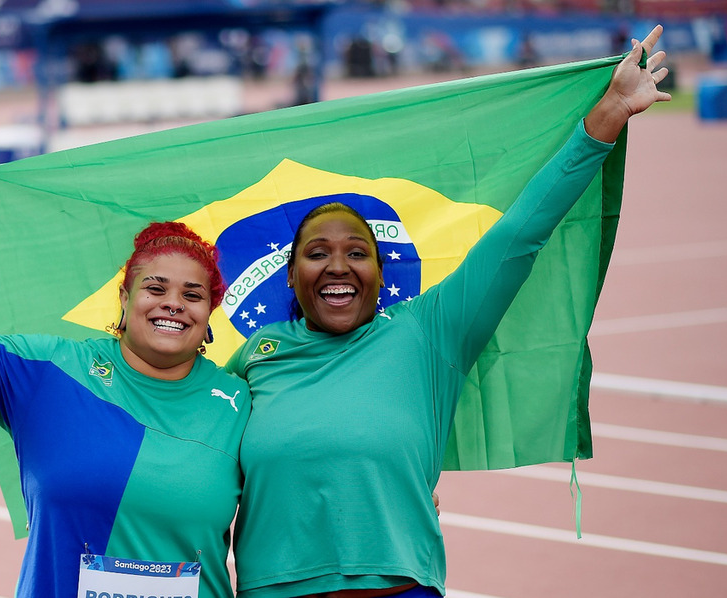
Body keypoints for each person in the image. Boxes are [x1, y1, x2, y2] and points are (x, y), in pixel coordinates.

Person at [227, 26, 671, 598]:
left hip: (399, 587)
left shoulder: (427, 330)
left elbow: (519, 237)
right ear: (290, 277)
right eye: (317, 254)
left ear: (381, 277)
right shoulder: (254, 356)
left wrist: (608, 114)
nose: (337, 266)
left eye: (356, 253)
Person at [0, 156, 250, 598]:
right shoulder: (50, 372)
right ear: (125, 298)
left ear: (209, 312)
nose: (173, 303)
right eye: (155, 289)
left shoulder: (240, 403)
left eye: (192, 295)